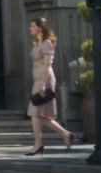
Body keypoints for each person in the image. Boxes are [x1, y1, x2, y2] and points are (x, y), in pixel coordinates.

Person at [25, 17, 73, 156]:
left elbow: (47, 64)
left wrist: (42, 84)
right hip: (38, 80)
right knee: (44, 116)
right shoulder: (37, 43)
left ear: (40, 28)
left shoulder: (47, 43)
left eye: (33, 26)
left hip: (44, 80)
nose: (30, 28)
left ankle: (38, 145)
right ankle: (66, 134)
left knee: (35, 113)